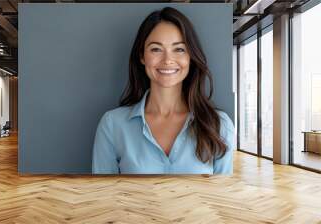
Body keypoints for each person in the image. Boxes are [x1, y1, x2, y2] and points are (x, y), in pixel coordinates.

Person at [92, 7, 235, 174]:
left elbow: (221, 197)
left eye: (179, 49)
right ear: (142, 56)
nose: (168, 60)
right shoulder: (112, 125)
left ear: (190, 57)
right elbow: (103, 197)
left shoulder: (219, 125)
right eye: (156, 49)